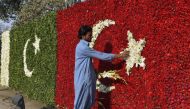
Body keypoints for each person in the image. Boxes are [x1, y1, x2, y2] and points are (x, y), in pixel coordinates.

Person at [74, 25, 128, 109]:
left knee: (87, 102)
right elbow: (100, 55)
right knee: (82, 103)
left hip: (86, 78)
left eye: (91, 35)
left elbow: (86, 62)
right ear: (83, 36)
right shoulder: (82, 47)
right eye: (89, 35)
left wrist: (93, 71)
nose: (91, 37)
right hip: (83, 79)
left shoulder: (83, 46)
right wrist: (120, 55)